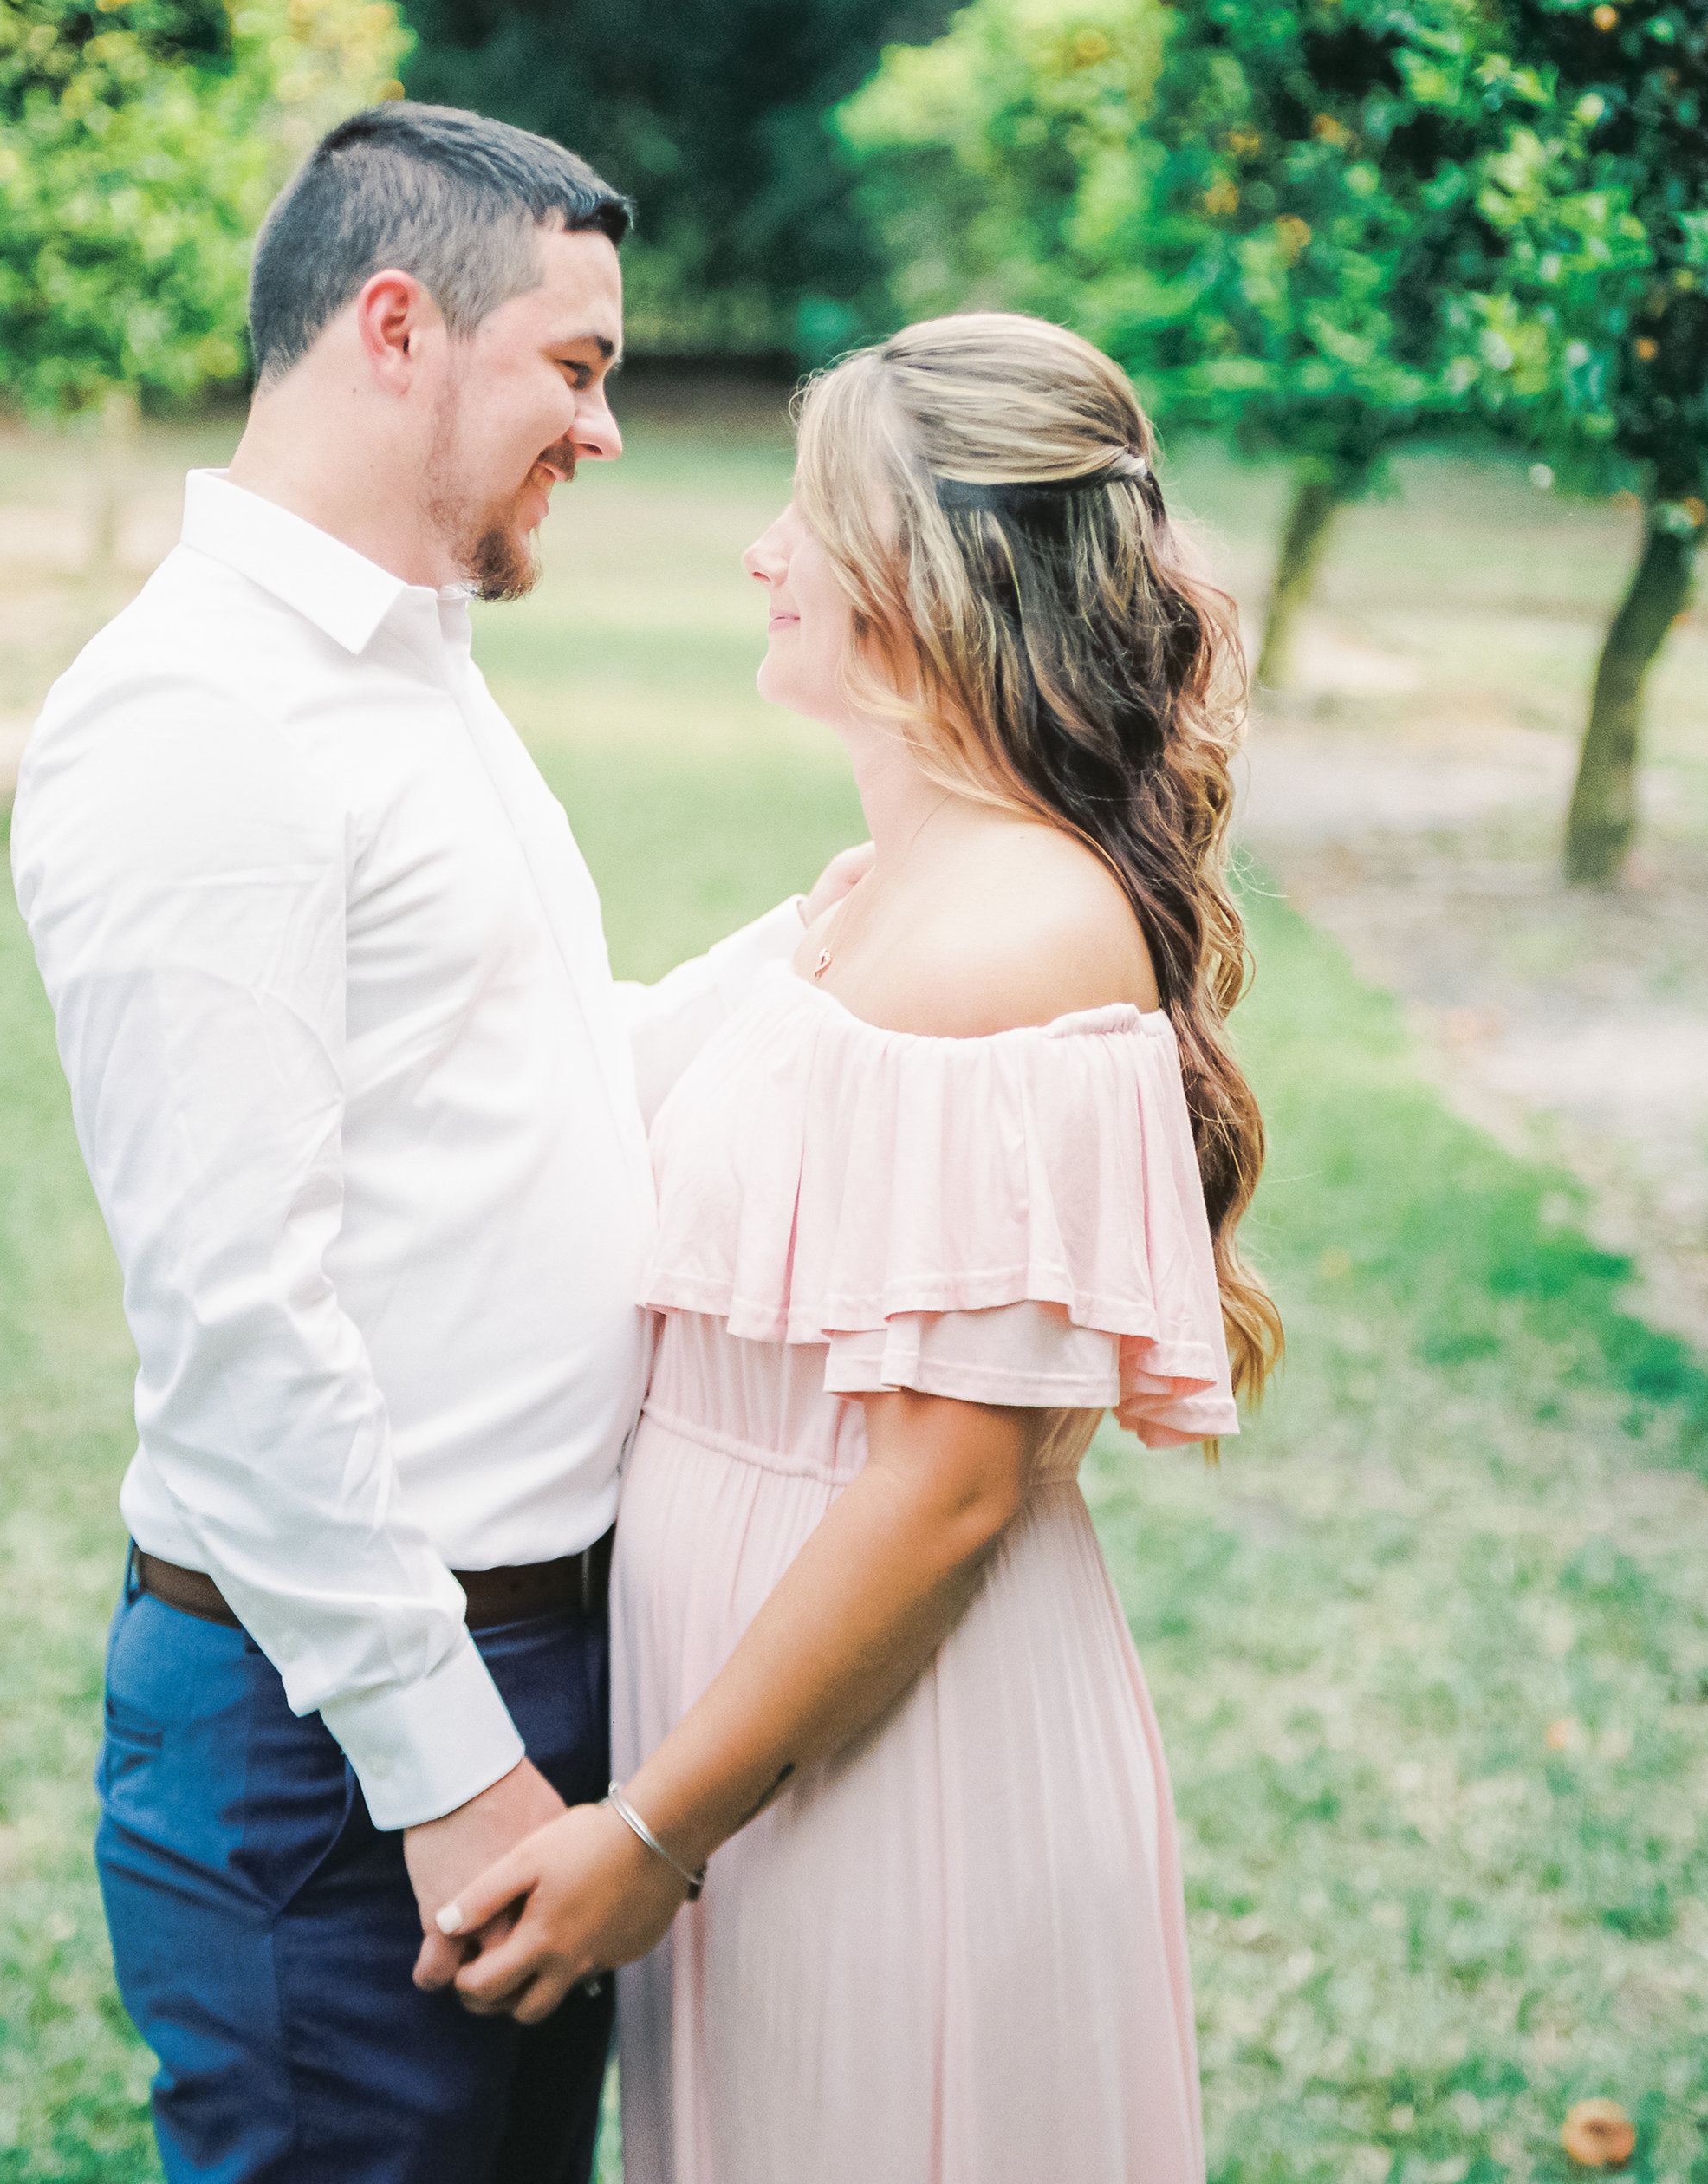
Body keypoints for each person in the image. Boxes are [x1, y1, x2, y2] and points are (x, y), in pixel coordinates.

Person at [10, 101, 862, 2184]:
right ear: (396, 325)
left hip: (541, 1664)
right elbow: (236, 1318)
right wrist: (447, 1772)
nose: (608, 430)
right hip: (345, 1738)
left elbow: (552, 1066)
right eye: (574, 367)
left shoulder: (408, 674)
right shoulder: (206, 720)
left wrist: (862, 917)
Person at [434, 310, 1284, 2184]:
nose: (757, 553)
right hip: (763, 1739)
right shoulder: (893, 882)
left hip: (886, 1758)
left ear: (917, 569)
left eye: (798, 516)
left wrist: (651, 1831)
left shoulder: (1009, 939)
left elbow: (944, 1492)